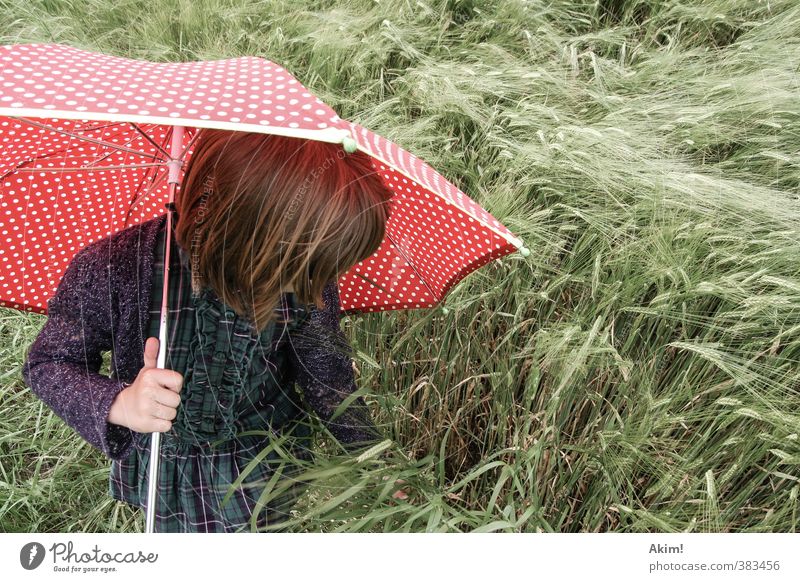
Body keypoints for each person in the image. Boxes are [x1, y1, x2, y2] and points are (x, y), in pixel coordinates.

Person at [22, 128, 394, 532]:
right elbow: (48, 363)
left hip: (263, 458)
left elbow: (327, 379)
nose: (317, 284)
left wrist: (374, 456)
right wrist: (123, 403)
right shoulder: (114, 267)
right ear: (239, 233)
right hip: (168, 463)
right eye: (308, 270)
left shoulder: (305, 274)